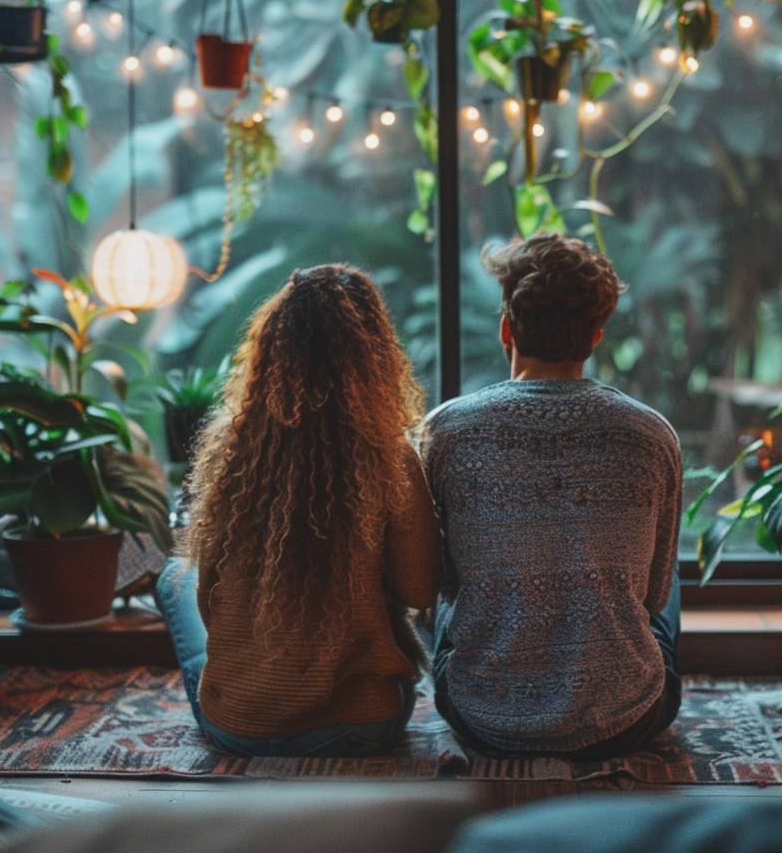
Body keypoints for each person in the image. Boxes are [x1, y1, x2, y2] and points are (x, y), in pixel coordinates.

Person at [156, 265, 440, 757]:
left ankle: (246, 693)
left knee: (174, 576)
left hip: (242, 728)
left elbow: (208, 601)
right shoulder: (391, 459)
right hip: (364, 726)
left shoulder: (233, 450)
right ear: (374, 355)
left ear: (271, 351)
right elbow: (419, 590)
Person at [422, 233, 683, 758]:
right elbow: (653, 597)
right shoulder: (652, 435)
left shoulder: (446, 430)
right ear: (596, 337)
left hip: (481, 716)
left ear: (507, 328)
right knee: (667, 575)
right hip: (626, 719)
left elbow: (441, 583)